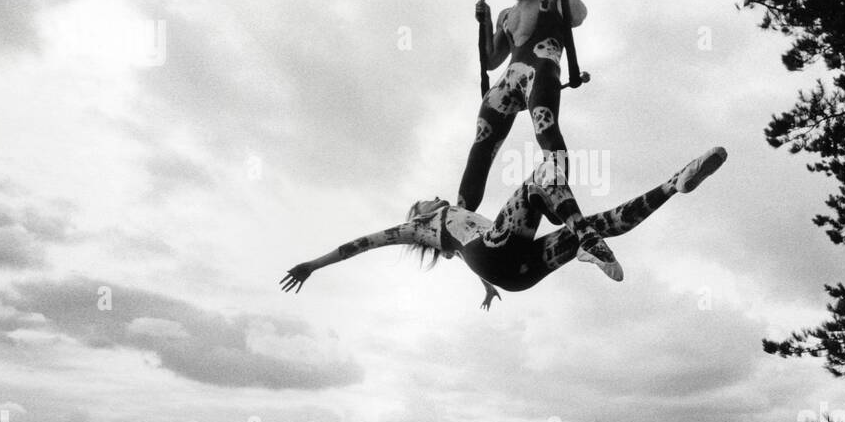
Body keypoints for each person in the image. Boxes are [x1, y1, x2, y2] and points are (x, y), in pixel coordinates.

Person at [281, 147, 728, 309]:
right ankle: (586, 239)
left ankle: (673, 185)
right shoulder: (418, 226)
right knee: (541, 178)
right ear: (416, 213)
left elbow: (467, 255)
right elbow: (360, 244)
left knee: (600, 221)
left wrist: (487, 288)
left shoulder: (454, 235)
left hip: (515, 273)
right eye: (426, 197)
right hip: (498, 251)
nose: (436, 195)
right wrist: (312, 265)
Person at [459, 0, 586, 213]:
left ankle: (558, 192)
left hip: (540, 68)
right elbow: (491, 60)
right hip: (510, 77)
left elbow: (576, 16)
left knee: (546, 128)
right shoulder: (506, 15)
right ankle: (461, 211)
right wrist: (486, 21)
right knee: (482, 139)